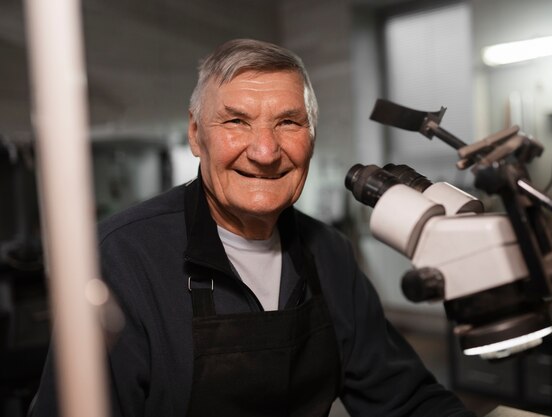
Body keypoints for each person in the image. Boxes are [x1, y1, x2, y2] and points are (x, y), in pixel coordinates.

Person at [31, 39, 475, 417]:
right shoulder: (124, 257)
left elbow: (406, 400)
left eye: (287, 122)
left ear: (311, 138)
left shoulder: (329, 253)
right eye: (236, 121)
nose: (264, 151)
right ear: (195, 133)